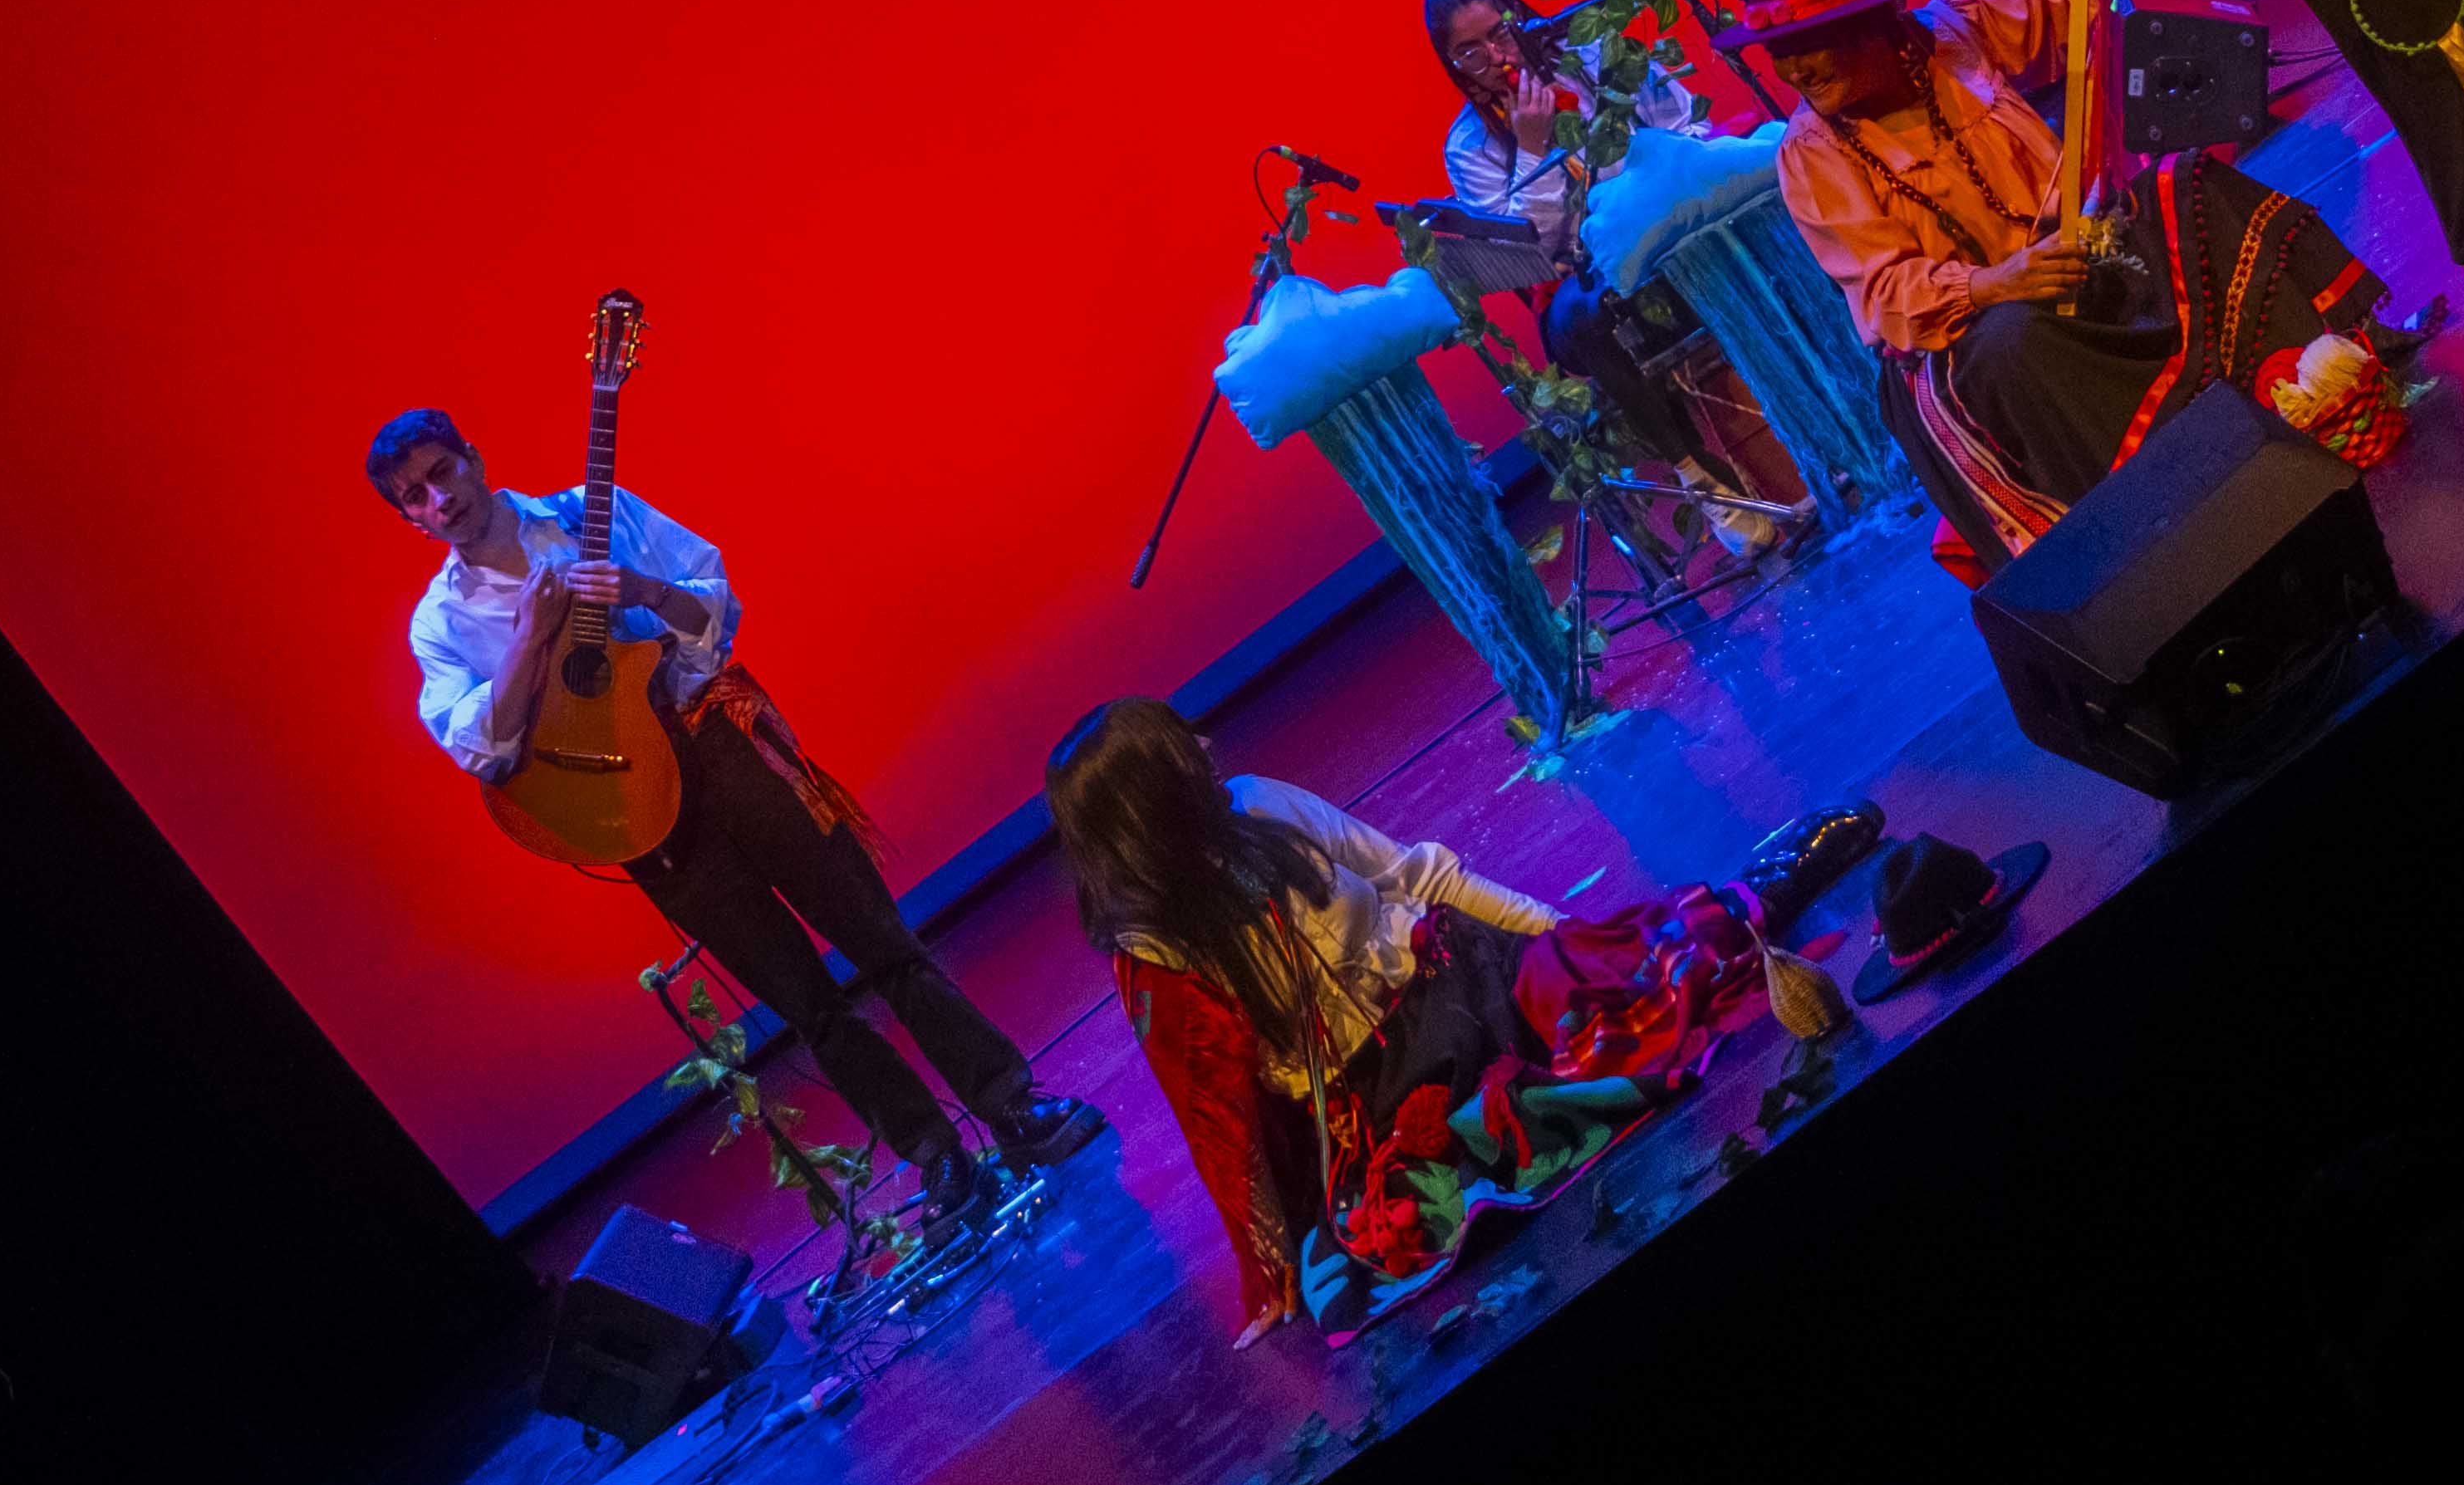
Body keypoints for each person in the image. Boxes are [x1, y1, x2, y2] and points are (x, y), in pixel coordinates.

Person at [375, 407, 1096, 1216]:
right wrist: (527, 638)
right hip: (639, 808)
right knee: (805, 1002)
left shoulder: (589, 511)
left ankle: (1010, 1105)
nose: (438, 499)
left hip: (719, 743)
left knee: (877, 938)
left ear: (474, 459)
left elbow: (716, 610)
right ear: (408, 518)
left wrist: (644, 591)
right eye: (415, 496)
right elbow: (482, 747)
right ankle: (935, 1157)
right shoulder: (440, 624)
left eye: (441, 472)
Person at [1725, 0, 2391, 569]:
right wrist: (1996, 282)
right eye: (1778, 52)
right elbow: (1887, 292)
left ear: (1870, 25)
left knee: (2186, 184)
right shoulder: (1812, 155)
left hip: (2076, 254)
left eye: (1807, 46)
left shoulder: (1952, 33)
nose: (1794, 71)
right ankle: (2164, 503)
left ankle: (2320, 382)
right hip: (1967, 336)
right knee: (2020, 339)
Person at [1044, 694, 1654, 1336]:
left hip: (1461, 982)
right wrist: (1270, 1273)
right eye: (1181, 748)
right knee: (1455, 1172)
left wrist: (1563, 932)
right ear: (1150, 803)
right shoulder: (1154, 952)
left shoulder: (1256, 801)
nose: (1205, 744)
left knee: (1630, 989)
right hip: (1379, 1094)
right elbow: (1215, 1117)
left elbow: (1418, 877)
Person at [1414, 0, 1778, 558]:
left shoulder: (1593, 58)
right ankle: (1701, 477)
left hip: (1669, 220)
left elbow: (1682, 126)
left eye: (1499, 34)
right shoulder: (1470, 145)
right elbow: (1529, 250)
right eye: (1468, 53)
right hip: (1585, 277)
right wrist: (1533, 150)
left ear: (1520, 15)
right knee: (1583, 316)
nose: (1494, 58)